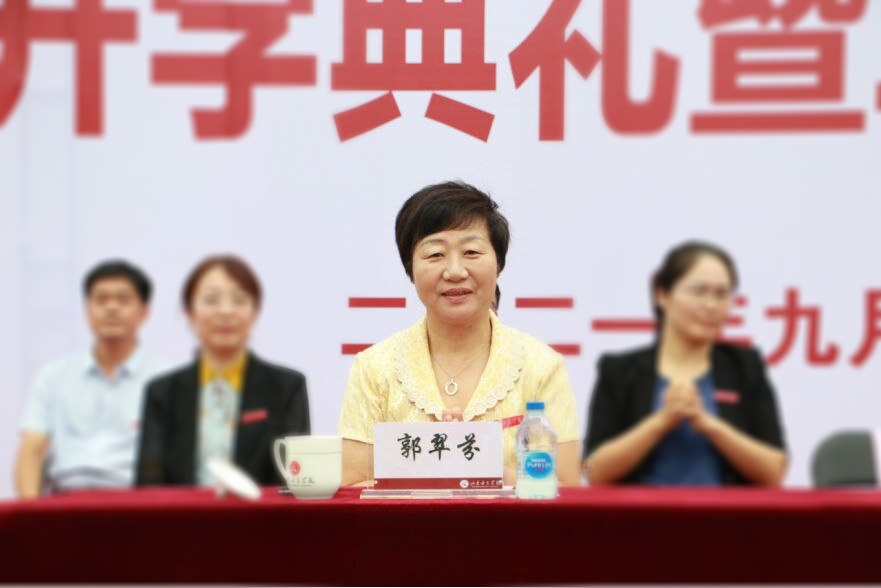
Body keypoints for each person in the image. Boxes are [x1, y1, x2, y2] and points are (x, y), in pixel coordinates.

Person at [338, 181, 581, 486]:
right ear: (410, 269)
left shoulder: (541, 366)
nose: (455, 271)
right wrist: (436, 471)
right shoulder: (374, 368)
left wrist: (479, 470)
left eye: (471, 252)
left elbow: (567, 487)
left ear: (498, 263)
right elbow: (352, 485)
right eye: (435, 254)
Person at [583, 241, 787, 486]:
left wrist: (708, 424)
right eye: (699, 291)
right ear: (662, 294)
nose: (711, 305)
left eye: (721, 294)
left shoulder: (745, 367)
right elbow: (593, 471)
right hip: (640, 511)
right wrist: (661, 421)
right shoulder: (619, 371)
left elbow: (775, 471)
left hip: (726, 511)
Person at [135, 255, 310, 486]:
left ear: (255, 311)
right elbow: (149, 486)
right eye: (211, 299)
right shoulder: (162, 392)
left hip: (262, 510)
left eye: (239, 299)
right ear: (189, 312)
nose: (226, 311)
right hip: (178, 511)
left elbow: (295, 482)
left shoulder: (286, 388)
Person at [14, 261, 168, 497]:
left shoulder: (165, 379)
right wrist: (30, 512)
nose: (111, 308)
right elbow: (32, 451)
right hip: (66, 497)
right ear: (87, 310)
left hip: (135, 501)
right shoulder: (54, 376)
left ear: (144, 312)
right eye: (101, 299)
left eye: (123, 299)